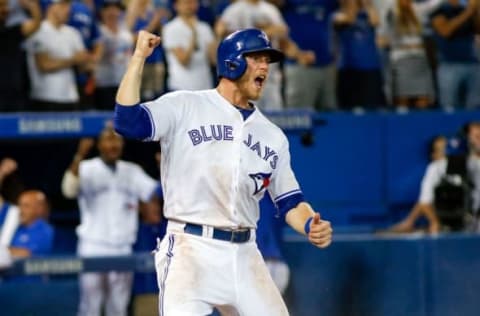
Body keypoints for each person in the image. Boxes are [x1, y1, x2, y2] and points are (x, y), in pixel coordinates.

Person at [114, 28, 333, 315]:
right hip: (190, 249)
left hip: (245, 254)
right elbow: (128, 122)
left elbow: (290, 201)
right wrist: (139, 56)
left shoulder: (272, 135)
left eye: (267, 60)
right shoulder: (186, 105)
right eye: (256, 58)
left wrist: (309, 224)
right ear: (232, 62)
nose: (265, 66)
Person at [61, 126, 158, 316]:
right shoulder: (85, 168)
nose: (113, 145)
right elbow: (68, 190)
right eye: (108, 139)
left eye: (117, 140)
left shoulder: (132, 171)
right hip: (93, 246)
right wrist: (79, 156)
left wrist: (165, 170)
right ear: (99, 144)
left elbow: (154, 192)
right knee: (91, 306)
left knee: (119, 307)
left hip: (122, 246)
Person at [386, 122, 480, 234]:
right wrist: (435, 222)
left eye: (460, 155)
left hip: (473, 222)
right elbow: (425, 201)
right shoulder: (436, 167)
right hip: (444, 224)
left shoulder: (476, 165)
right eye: (452, 156)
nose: (456, 159)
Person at [24, 0, 94, 111]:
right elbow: (44, 65)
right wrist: (74, 60)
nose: (68, 10)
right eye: (63, 5)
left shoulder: (73, 33)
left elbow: (84, 66)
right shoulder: (38, 31)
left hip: (71, 97)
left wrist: (88, 62)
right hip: (44, 97)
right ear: (51, 7)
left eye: (68, 5)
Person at [378, 0, 441, 109]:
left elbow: (435, 4)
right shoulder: (391, 11)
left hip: (420, 61)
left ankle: (422, 124)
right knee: (402, 99)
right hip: (401, 61)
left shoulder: (417, 10)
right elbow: (383, 36)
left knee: (424, 98)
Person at [333, 0, 386, 109]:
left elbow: (375, 21)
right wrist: (352, 5)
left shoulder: (368, 14)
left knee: (372, 107)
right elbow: (349, 19)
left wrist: (367, 4)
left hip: (370, 68)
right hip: (348, 69)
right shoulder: (338, 14)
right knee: (348, 108)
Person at [430, 0, 480, 109]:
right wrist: (468, 12)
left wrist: (476, 11)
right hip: (449, 65)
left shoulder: (466, 11)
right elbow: (445, 31)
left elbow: (477, 29)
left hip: (472, 63)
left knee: (475, 105)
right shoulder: (439, 11)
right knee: (449, 106)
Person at [162, 0, 217, 91]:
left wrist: (218, 35)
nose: (189, 5)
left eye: (192, 2)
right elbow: (184, 61)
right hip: (181, 87)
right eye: (186, 2)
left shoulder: (205, 27)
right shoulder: (171, 28)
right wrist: (193, 34)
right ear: (176, 6)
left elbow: (213, 60)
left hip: (205, 87)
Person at [0, 0, 41, 111]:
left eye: (6, 6)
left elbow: (35, 24)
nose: (5, 10)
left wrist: (32, 6)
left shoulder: (12, 32)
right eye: (1, 5)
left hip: (14, 94)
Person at [8, 190, 53, 258]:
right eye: (20, 205)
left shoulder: (46, 231)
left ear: (39, 208)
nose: (21, 210)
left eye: (26, 206)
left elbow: (30, 254)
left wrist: (6, 251)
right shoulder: (17, 229)